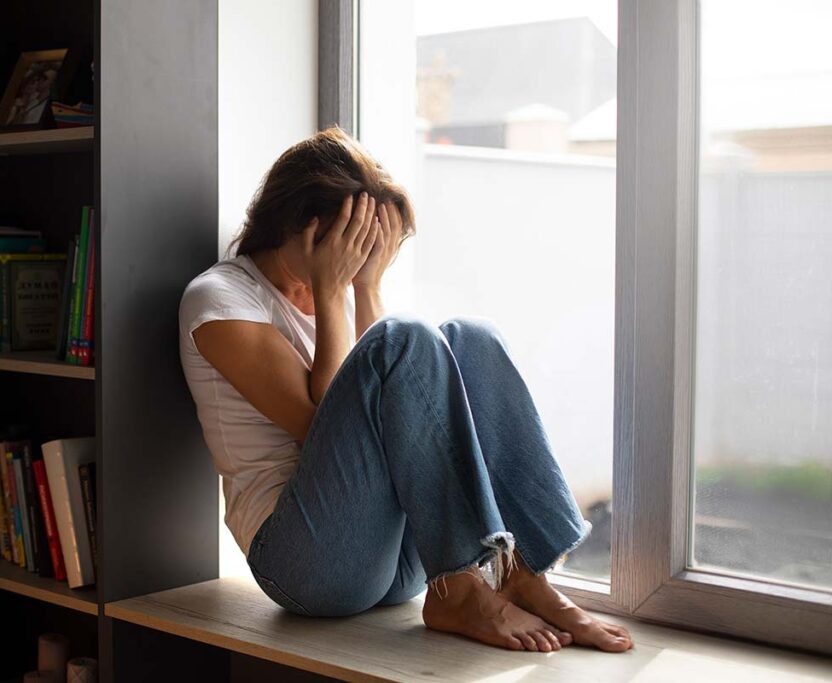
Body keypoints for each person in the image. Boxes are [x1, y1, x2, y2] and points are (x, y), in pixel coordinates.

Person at [178, 127, 633, 653]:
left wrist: (365, 288)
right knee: (406, 337)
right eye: (356, 242)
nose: (362, 257)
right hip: (304, 564)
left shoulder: (344, 291)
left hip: (399, 562)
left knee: (470, 337)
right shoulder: (219, 300)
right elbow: (321, 422)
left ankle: (522, 575)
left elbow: (382, 414)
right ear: (305, 227)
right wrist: (332, 291)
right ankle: (462, 590)